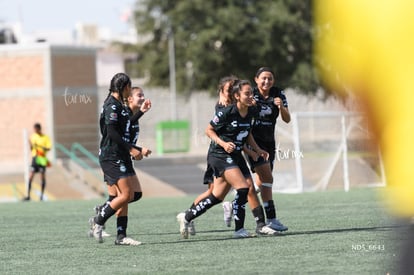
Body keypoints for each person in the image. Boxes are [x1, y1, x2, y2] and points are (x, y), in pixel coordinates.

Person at [177, 79, 269, 239]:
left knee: (217, 196)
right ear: (237, 96)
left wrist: (257, 150)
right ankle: (239, 230)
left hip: (236, 155)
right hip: (219, 155)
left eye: (251, 93)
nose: (250, 96)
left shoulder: (251, 111)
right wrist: (224, 143)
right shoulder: (227, 112)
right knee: (242, 188)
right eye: (246, 93)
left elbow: (247, 133)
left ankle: (187, 217)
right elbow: (208, 130)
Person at [90, 86, 152, 240]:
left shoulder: (130, 115)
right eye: (139, 95)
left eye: (143, 95)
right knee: (122, 196)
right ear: (129, 98)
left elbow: (128, 127)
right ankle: (104, 222)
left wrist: (141, 112)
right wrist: (136, 149)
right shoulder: (121, 112)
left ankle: (104, 212)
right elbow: (116, 136)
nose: (143, 97)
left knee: (133, 194)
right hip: (112, 158)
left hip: (123, 157)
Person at [247, 67, 291, 232]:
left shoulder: (278, 93)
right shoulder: (250, 94)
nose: (266, 81)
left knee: (263, 183)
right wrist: (250, 106)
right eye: (263, 78)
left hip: (269, 143)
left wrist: (282, 108)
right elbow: (241, 114)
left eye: (270, 79)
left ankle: (235, 203)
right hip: (253, 142)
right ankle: (269, 220)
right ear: (256, 79)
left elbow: (287, 120)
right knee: (268, 180)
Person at [24, 123, 52, 201]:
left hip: (42, 158)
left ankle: (41, 196)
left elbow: (48, 148)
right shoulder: (33, 136)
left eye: (36, 130)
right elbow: (31, 148)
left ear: (39, 129)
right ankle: (28, 196)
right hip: (35, 158)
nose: (35, 131)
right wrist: (31, 145)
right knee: (31, 176)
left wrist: (41, 147)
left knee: (42, 176)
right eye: (34, 130)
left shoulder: (45, 137)